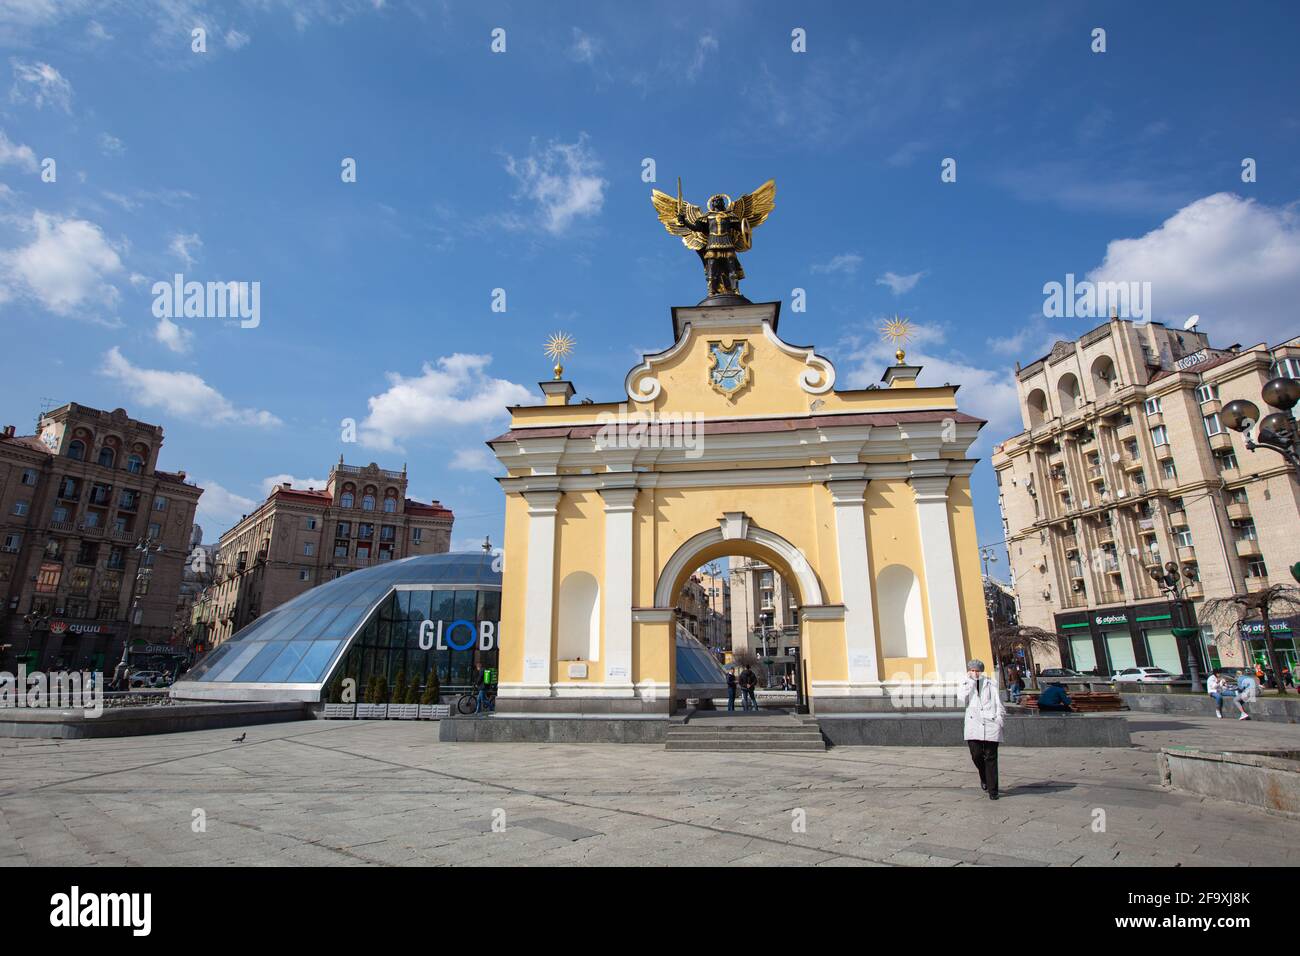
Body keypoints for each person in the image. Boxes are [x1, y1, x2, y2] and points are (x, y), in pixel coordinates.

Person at [958, 660, 1005, 800]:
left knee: (991, 757)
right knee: (976, 755)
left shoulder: (991, 683)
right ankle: (984, 776)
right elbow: (961, 700)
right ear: (968, 671)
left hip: (991, 722)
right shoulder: (964, 683)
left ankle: (993, 790)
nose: (975, 673)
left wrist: (999, 718)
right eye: (972, 670)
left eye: (977, 670)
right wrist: (970, 685)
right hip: (974, 724)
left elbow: (999, 702)